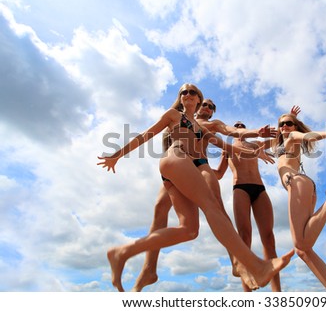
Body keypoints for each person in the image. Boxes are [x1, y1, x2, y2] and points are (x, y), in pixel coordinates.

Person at [97, 83, 294, 292]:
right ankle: (254, 265)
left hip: (186, 169)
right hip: (176, 157)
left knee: (189, 230)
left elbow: (228, 143)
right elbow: (147, 134)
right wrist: (117, 154)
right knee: (209, 205)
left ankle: (122, 252)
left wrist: (254, 149)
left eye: (192, 92)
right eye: (184, 92)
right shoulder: (174, 115)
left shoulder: (202, 128)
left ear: (198, 99)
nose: (188, 94)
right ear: (181, 98)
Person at [132, 97, 277, 291]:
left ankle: (238, 261)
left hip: (200, 165)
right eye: (206, 104)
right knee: (160, 208)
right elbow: (156, 135)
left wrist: (256, 132)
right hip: (178, 165)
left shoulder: (212, 125)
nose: (207, 108)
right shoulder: (179, 117)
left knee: (216, 205)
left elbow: (233, 131)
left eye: (211, 107)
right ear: (199, 105)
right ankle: (149, 269)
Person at [260, 106, 326, 291]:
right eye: (282, 124)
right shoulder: (278, 143)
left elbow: (308, 136)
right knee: (303, 250)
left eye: (289, 124)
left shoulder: (292, 136)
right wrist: (291, 118)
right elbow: (251, 146)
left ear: (295, 126)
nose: (285, 127)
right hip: (304, 186)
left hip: (296, 182)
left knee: (301, 245)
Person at [215, 120, 281, 292]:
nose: (239, 126)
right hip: (240, 189)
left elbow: (278, 137)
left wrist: (289, 119)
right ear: (232, 132)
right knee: (244, 237)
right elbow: (219, 174)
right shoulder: (227, 148)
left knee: (269, 238)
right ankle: (247, 293)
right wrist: (198, 167)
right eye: (236, 125)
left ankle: (278, 293)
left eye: (241, 124)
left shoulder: (256, 144)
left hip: (259, 189)